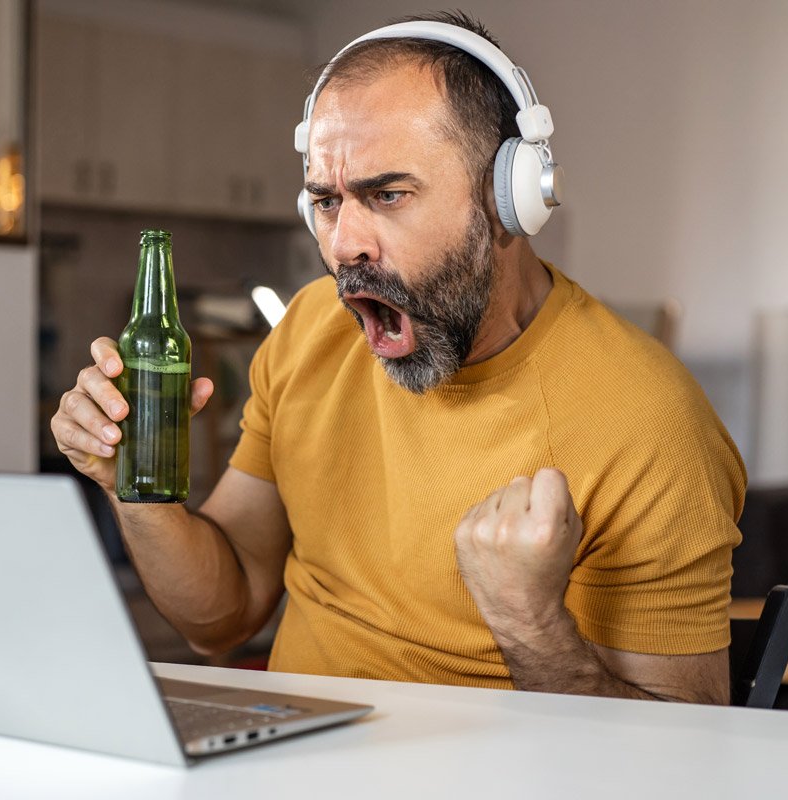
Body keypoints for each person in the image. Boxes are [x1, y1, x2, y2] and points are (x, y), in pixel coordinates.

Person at [50, 11, 745, 704]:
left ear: (511, 197)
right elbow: (221, 619)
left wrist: (526, 619)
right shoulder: (309, 333)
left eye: (387, 194)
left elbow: (676, 759)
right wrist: (131, 485)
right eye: (326, 201)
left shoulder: (650, 421)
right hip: (290, 766)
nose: (345, 244)